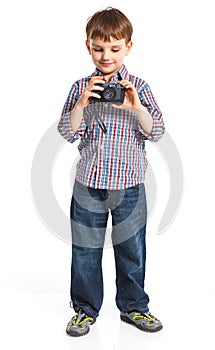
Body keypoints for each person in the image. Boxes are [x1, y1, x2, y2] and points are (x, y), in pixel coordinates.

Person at [58, 7, 165, 337]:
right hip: (88, 184)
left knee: (132, 250)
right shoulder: (80, 87)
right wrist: (81, 105)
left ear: (128, 47)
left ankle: (134, 307)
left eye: (115, 49)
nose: (107, 56)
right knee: (85, 252)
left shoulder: (139, 87)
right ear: (88, 47)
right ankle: (85, 310)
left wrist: (138, 107)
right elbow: (66, 131)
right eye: (99, 48)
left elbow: (156, 130)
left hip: (130, 186)